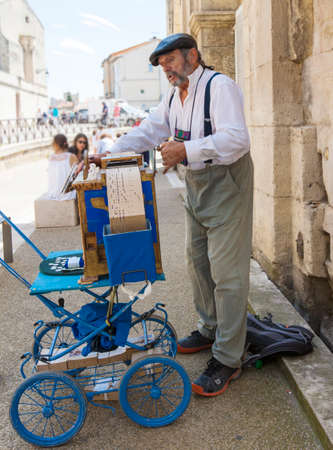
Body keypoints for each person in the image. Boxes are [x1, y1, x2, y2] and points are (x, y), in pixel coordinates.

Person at [98, 33, 253, 397]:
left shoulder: (220, 86)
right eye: (161, 64)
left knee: (227, 274)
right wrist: (107, 156)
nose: (165, 68)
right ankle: (211, 327)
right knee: (196, 262)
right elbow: (150, 130)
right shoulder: (173, 95)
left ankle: (229, 357)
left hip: (227, 182)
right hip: (196, 184)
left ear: (192, 55)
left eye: (169, 60)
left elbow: (238, 139)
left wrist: (186, 149)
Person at [45, 134, 78, 200]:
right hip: (67, 194)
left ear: (56, 144)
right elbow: (77, 174)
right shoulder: (71, 156)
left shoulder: (51, 157)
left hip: (53, 193)